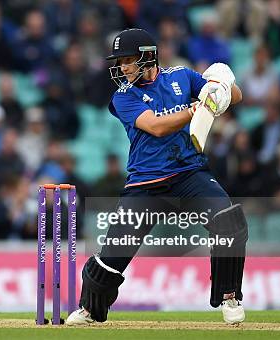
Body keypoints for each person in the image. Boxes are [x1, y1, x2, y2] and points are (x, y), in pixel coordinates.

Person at [65, 29, 246, 326]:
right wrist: (197, 108)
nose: (123, 68)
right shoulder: (123, 96)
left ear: (147, 56)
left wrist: (222, 86)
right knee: (113, 254)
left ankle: (229, 296)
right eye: (120, 62)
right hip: (145, 183)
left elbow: (235, 98)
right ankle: (90, 310)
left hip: (189, 173)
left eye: (127, 60)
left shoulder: (182, 77)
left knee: (228, 220)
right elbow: (157, 126)